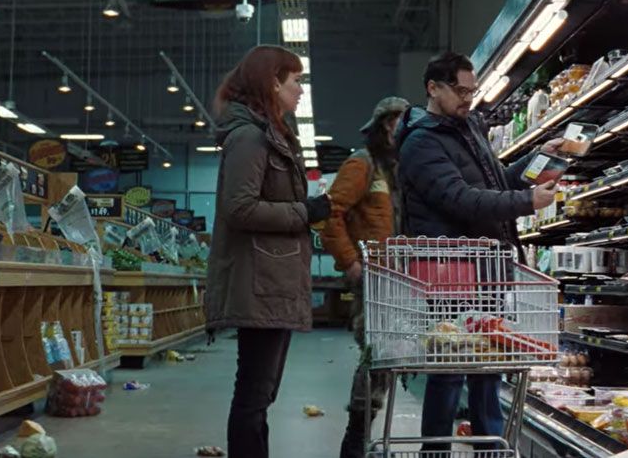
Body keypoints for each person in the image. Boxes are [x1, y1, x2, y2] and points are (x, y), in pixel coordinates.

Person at [395, 51, 571, 451]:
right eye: (460, 91)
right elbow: (462, 200)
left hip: (487, 270)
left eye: (473, 92)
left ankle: (489, 449)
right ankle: (436, 449)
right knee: (451, 368)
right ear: (433, 88)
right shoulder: (421, 143)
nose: (468, 99)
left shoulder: (467, 128)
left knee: (489, 365)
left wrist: (542, 156)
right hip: (450, 274)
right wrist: (527, 201)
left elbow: (496, 182)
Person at [205, 45, 331, 458]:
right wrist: (304, 211)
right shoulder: (249, 137)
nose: (301, 89)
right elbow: (238, 208)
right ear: (272, 82)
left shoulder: (270, 135)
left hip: (271, 281)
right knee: (254, 394)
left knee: (261, 395)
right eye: (296, 80)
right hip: (259, 283)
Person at [322, 96, 410, 458]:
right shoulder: (362, 164)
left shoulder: (397, 169)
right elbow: (330, 215)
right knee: (376, 356)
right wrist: (350, 262)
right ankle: (354, 442)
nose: (398, 129)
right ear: (382, 125)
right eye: (393, 122)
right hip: (371, 278)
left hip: (400, 280)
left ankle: (363, 441)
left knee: (387, 358)